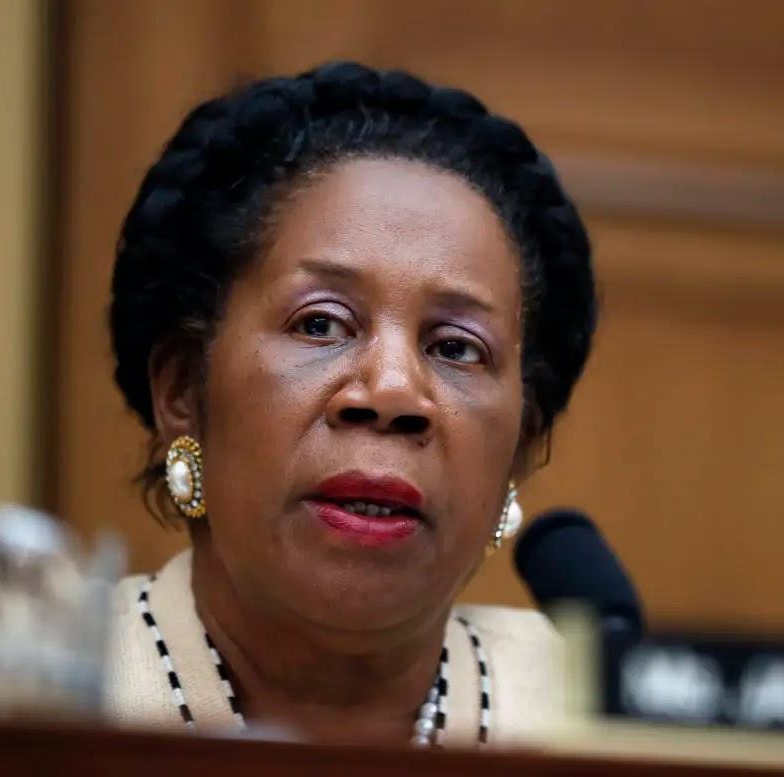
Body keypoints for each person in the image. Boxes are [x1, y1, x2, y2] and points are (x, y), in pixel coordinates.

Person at [103, 61, 596, 749]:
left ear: (521, 442)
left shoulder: (602, 721)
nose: (392, 392)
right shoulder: (11, 702)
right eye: (320, 324)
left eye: (456, 347)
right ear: (183, 390)